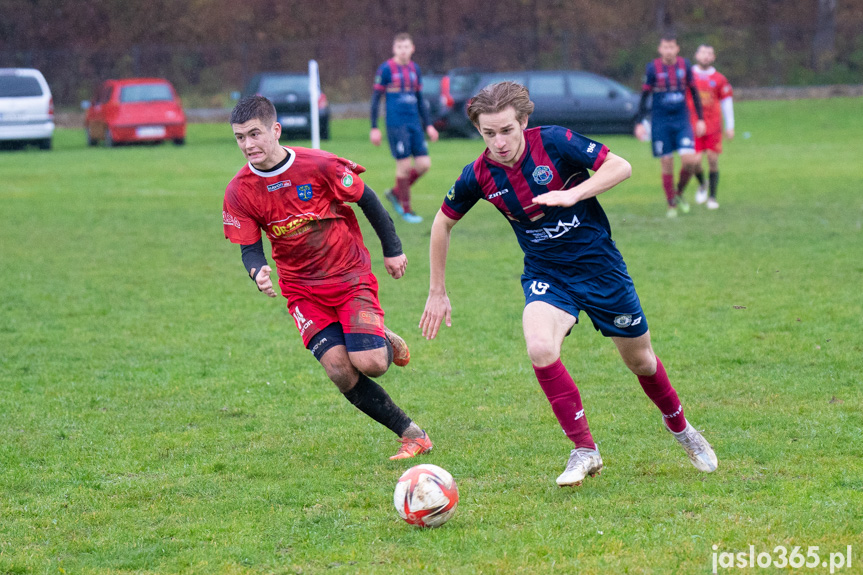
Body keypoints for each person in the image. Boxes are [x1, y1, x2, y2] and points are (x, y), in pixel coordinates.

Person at [420, 81, 717, 487]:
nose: (499, 142)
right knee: (540, 347)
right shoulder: (478, 174)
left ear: (524, 121)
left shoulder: (555, 142)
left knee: (641, 361)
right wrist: (438, 291)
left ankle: (682, 429)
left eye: (507, 130)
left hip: (601, 270)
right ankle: (584, 449)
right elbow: (442, 223)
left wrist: (573, 194)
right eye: (489, 133)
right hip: (547, 274)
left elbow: (621, 166)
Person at [223, 95, 432, 460]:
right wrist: (257, 272)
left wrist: (393, 248)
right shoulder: (239, 190)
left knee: (372, 364)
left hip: (349, 276)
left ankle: (377, 336)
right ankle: (412, 435)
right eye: (240, 137)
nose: (248, 145)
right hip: (302, 290)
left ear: (276, 130)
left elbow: (368, 199)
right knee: (339, 369)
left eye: (254, 134)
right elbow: (249, 247)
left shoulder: (318, 165)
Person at [370, 32, 439, 224]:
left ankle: (394, 193)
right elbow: (375, 100)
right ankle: (407, 210)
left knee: (424, 164)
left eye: (406, 47)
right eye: (399, 47)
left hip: (414, 124)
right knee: (405, 166)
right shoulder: (385, 69)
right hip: (396, 125)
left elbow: (419, 100)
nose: (403, 50)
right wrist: (374, 127)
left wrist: (430, 125)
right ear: (394, 49)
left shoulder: (415, 69)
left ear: (412, 48)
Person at [634, 34, 705, 218]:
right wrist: (640, 122)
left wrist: (700, 119)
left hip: (682, 119)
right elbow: (644, 97)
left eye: (671, 47)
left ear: (677, 48)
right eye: (665, 47)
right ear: (660, 49)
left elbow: (695, 92)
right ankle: (671, 204)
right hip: (661, 122)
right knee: (667, 162)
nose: (668, 51)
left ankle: (679, 192)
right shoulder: (653, 68)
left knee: (689, 161)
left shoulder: (685, 65)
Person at [677, 44, 734, 210]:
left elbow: (726, 102)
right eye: (703, 52)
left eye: (709, 53)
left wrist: (730, 126)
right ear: (696, 55)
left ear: (713, 57)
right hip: (692, 124)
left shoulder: (719, 79)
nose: (706, 56)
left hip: (713, 125)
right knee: (694, 161)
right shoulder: (688, 76)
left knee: (712, 159)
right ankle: (703, 183)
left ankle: (712, 197)